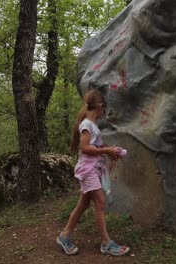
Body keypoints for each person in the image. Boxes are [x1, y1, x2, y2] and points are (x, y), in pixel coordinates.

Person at [56, 89, 130, 256]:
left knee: (83, 204)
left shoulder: (91, 125)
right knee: (100, 202)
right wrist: (106, 150)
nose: (104, 112)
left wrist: (110, 153)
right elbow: (85, 148)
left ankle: (64, 236)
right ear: (100, 106)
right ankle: (106, 243)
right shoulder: (87, 125)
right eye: (104, 109)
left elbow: (93, 148)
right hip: (88, 170)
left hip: (93, 168)